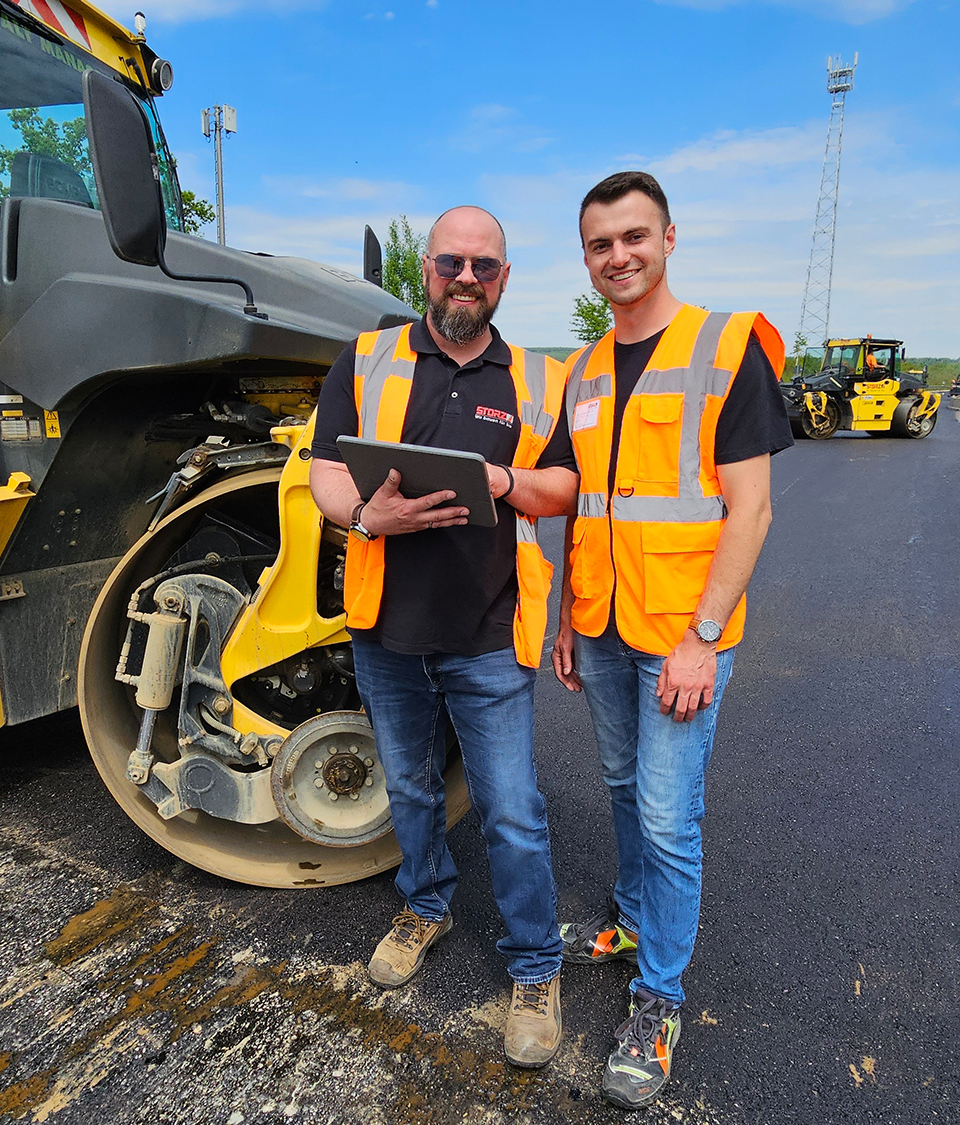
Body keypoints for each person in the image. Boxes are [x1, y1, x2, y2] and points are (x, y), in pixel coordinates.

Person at [308, 205, 578, 1069]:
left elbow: (564, 487)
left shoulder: (541, 378)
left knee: (512, 810)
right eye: (451, 263)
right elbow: (320, 467)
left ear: (506, 278)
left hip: (489, 627)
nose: (467, 279)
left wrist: (503, 479)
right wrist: (364, 513)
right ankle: (425, 905)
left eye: (485, 267)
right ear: (424, 269)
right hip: (387, 627)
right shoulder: (368, 356)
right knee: (414, 791)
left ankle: (536, 966)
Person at [551, 171, 793, 1110]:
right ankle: (632, 918)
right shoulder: (582, 370)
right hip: (606, 623)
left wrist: (700, 637)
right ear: (587, 257)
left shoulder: (724, 348)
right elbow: (582, 500)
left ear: (669, 238)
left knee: (665, 814)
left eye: (634, 237)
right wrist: (571, 613)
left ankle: (659, 999)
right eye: (601, 244)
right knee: (620, 787)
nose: (619, 256)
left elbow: (752, 506)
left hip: (681, 636)